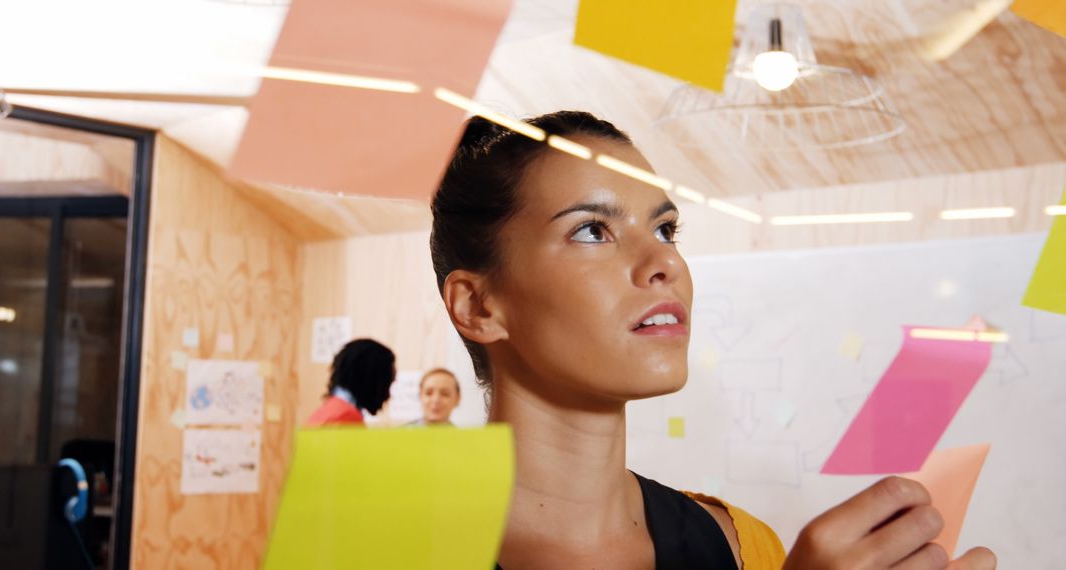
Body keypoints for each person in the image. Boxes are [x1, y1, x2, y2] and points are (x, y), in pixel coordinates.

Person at [430, 111, 996, 569]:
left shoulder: (745, 547)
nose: (664, 262)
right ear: (478, 306)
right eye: (591, 231)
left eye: (665, 229)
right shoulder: (375, 545)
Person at [306, 339, 396, 427]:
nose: (388, 395)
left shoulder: (326, 412)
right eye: (387, 385)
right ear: (371, 380)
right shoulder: (348, 419)